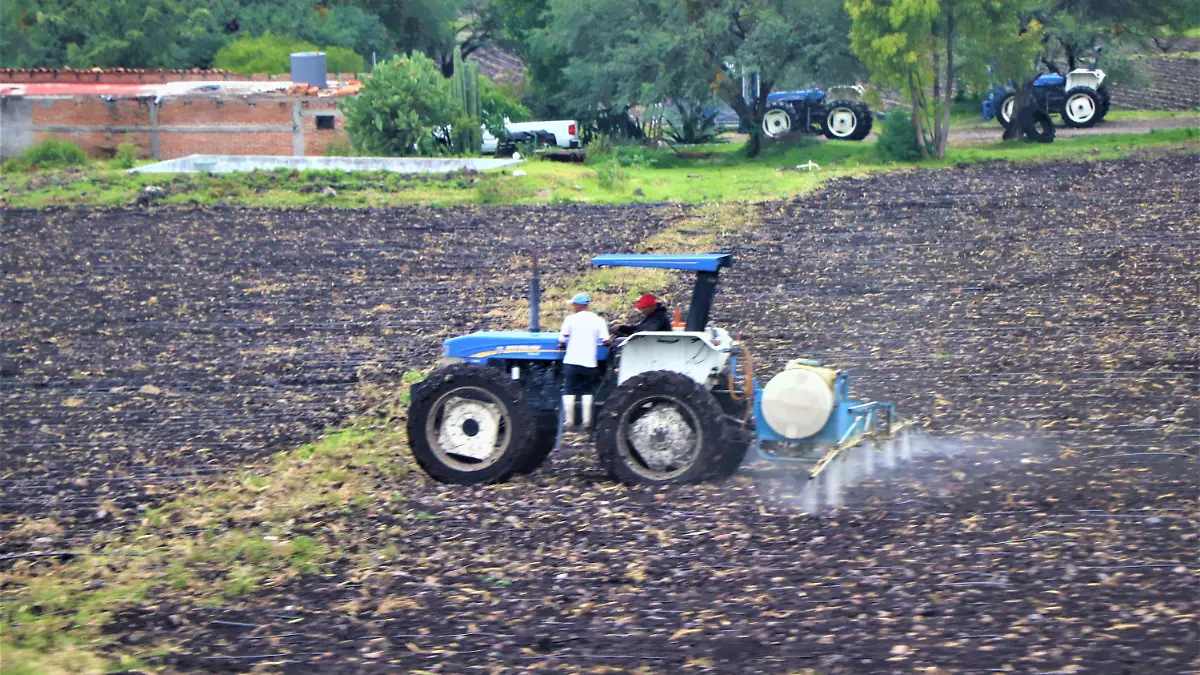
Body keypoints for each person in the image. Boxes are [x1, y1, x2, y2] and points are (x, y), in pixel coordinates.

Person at [558, 292, 609, 429]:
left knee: (569, 389)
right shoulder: (598, 320)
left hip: (571, 361)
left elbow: (562, 339)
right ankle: (586, 421)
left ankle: (569, 421)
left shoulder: (570, 319)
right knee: (587, 390)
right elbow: (606, 340)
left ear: (579, 305)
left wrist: (562, 344)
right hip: (589, 362)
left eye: (574, 305)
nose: (572, 307)